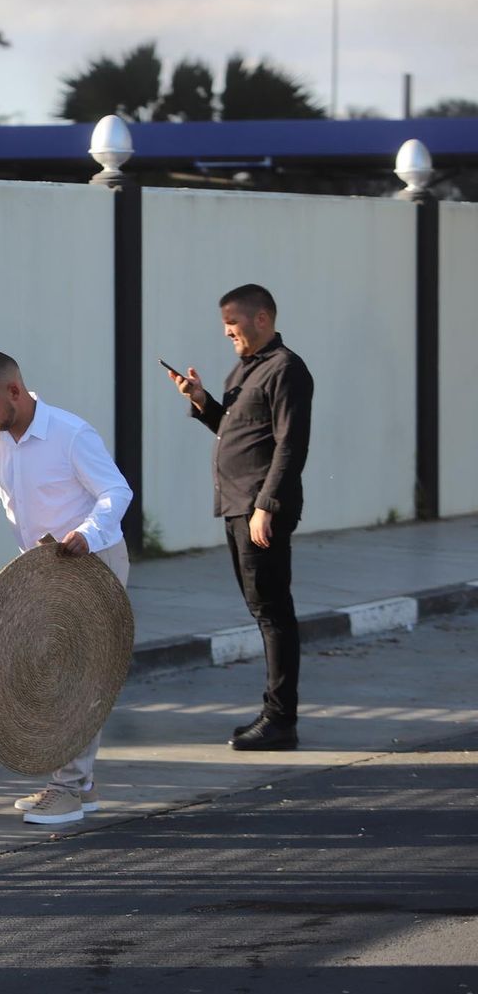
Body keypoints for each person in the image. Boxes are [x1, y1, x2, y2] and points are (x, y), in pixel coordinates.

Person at [0, 351, 133, 825]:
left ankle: (68, 788)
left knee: (79, 675)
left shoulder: (70, 433)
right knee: (50, 671)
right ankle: (83, 784)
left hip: (92, 562)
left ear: (15, 391)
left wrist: (88, 533)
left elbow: (117, 492)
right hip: (41, 570)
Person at [165, 283, 313, 752]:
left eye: (234, 327)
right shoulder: (247, 370)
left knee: (273, 613)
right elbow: (237, 431)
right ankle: (274, 714)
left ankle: (280, 720)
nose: (229, 335)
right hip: (237, 507)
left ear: (261, 319)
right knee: (263, 610)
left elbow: (290, 445)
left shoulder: (286, 370)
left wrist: (266, 507)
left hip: (257, 510)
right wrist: (202, 400)